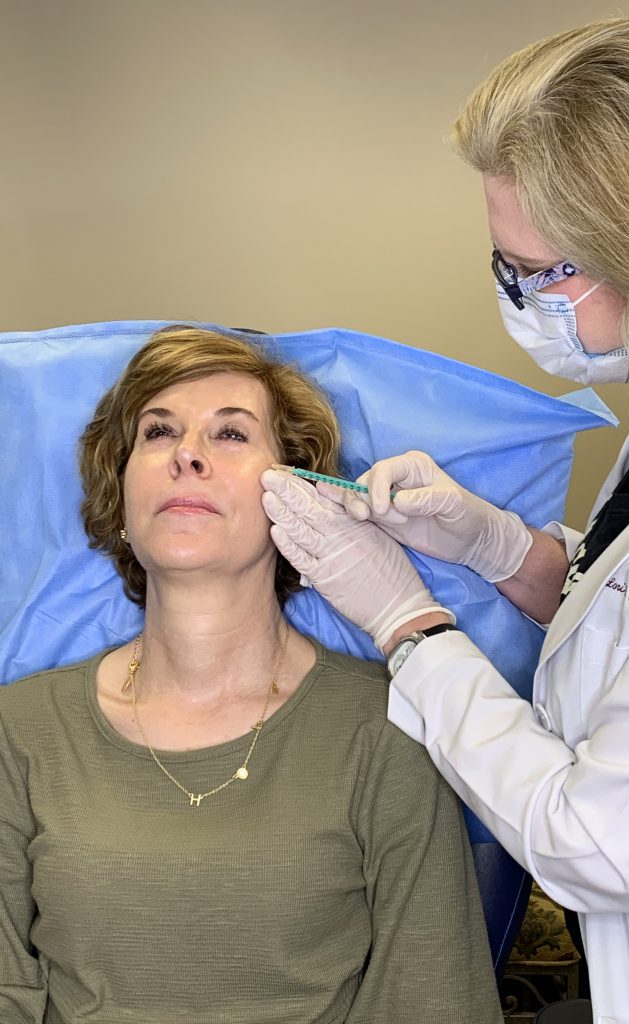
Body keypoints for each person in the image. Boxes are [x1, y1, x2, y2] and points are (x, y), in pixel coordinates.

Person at [260, 15, 629, 1024]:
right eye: (505, 265)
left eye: (541, 272)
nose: (518, 297)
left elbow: (603, 844)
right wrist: (501, 547)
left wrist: (408, 625)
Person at [0, 325, 504, 1024]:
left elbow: (431, 999)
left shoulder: (387, 728)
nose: (187, 456)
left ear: (298, 495)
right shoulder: (21, 732)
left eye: (231, 435)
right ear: (120, 499)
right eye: (157, 432)